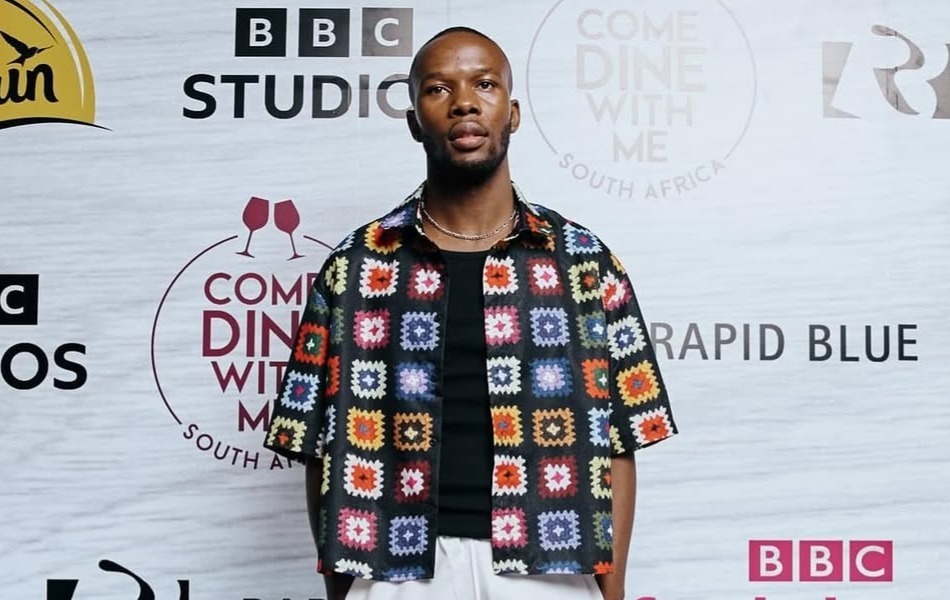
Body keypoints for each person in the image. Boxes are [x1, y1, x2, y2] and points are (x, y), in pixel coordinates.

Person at [264, 26, 677, 600]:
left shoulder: (582, 261)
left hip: (550, 567)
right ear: (415, 121)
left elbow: (620, 441)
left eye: (484, 84)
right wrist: (344, 588)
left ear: (513, 113)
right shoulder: (356, 265)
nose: (464, 102)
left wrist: (613, 593)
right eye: (438, 89)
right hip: (396, 572)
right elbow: (318, 442)